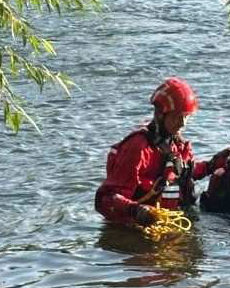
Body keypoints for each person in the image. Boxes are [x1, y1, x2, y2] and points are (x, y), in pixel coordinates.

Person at [95, 77, 222, 226]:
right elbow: (105, 200)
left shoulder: (178, 145)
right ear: (161, 114)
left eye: (186, 117)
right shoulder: (138, 148)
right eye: (178, 117)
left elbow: (185, 172)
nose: (183, 123)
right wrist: (136, 210)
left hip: (173, 222)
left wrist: (212, 165)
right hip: (138, 229)